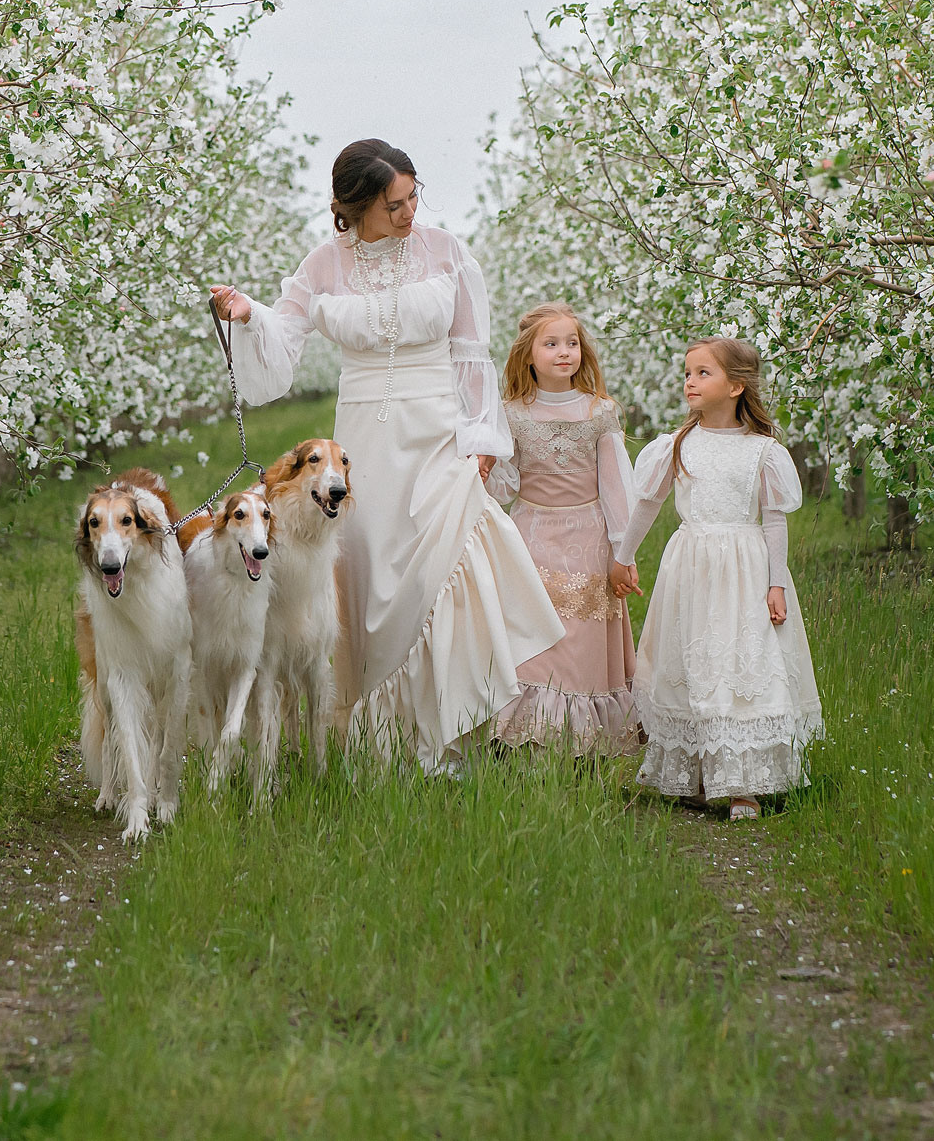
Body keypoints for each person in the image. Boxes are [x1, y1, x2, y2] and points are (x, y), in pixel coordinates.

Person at [209, 139, 563, 773]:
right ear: (355, 208)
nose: (409, 212)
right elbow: (282, 344)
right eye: (394, 204)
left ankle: (447, 740)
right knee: (369, 587)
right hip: (361, 447)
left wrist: (480, 440)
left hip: (438, 435)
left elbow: (470, 354)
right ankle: (380, 744)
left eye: (412, 196)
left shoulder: (446, 252)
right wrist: (245, 315)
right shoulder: (322, 265)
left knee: (439, 575)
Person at [611, 337, 825, 820]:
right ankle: (699, 777)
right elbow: (647, 505)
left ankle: (744, 784)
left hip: (745, 571)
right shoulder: (678, 445)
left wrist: (775, 582)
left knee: (740, 665)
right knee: (693, 662)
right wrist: (623, 555)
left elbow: (773, 521)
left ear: (735, 386)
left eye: (703, 373)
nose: (690, 381)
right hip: (692, 569)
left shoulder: (763, 452)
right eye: (687, 372)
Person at [486, 303, 640, 755]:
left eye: (572, 343)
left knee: (579, 636)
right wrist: (482, 469)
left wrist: (621, 553)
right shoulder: (512, 413)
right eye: (551, 344)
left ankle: (580, 742)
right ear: (528, 354)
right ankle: (526, 736)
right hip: (532, 535)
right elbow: (507, 483)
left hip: (587, 538)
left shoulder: (599, 412)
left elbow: (616, 490)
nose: (564, 352)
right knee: (536, 631)